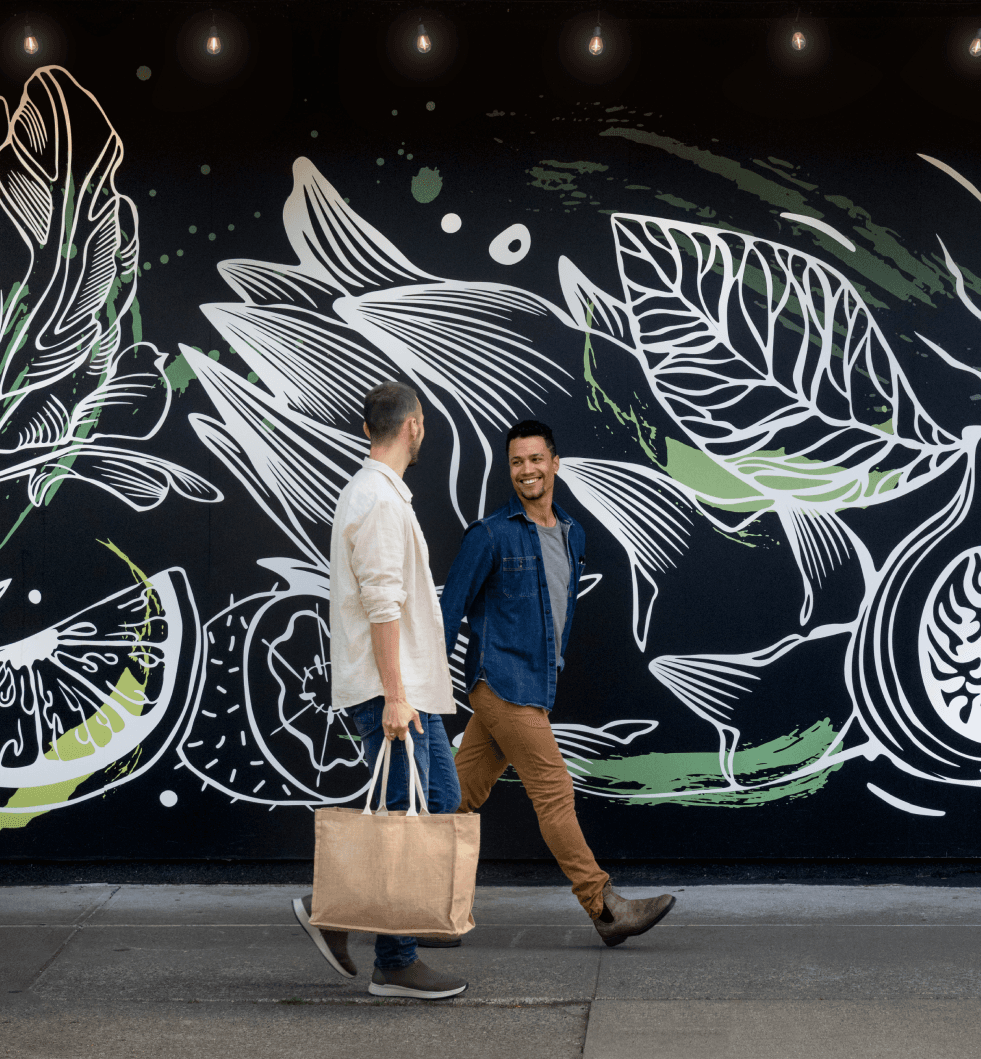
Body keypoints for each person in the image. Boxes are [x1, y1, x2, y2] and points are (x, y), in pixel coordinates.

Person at [440, 419, 676, 947]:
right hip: (500, 683)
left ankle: (385, 899)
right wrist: (424, 694)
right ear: (511, 470)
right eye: (517, 462)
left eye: (536, 459)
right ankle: (604, 906)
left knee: (453, 800)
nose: (527, 470)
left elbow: (557, 611)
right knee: (554, 793)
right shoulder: (490, 535)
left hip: (534, 683)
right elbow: (448, 612)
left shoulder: (573, 534)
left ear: (555, 463)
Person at [292, 380, 467, 1000]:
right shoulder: (377, 500)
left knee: (439, 801)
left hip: (414, 687)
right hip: (396, 690)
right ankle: (394, 962)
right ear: (413, 425)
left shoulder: (381, 494)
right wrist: (395, 694)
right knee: (405, 817)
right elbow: (382, 602)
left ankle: (338, 910)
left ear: (371, 428)